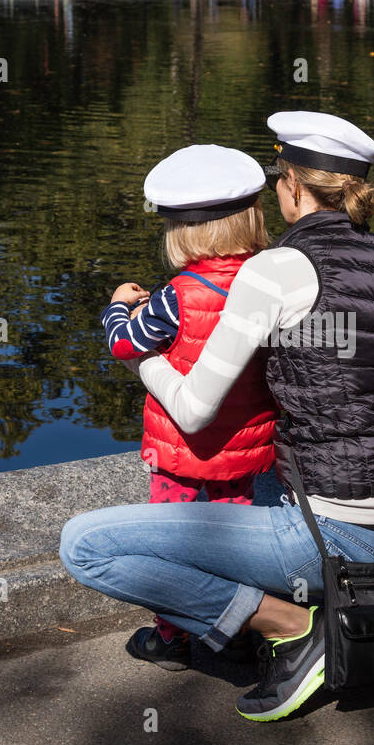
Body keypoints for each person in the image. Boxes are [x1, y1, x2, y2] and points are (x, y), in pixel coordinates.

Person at [61, 112, 374, 722]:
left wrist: (140, 364)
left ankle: (292, 627)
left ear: (295, 189)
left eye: (280, 177)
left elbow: (196, 412)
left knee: (84, 546)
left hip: (326, 530)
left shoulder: (275, 269)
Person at [102, 145, 279, 670]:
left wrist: (116, 307)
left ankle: (173, 636)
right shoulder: (267, 283)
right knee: (238, 540)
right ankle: (244, 631)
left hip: (179, 449)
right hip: (246, 448)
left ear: (181, 232)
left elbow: (125, 346)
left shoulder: (175, 295)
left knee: (170, 541)